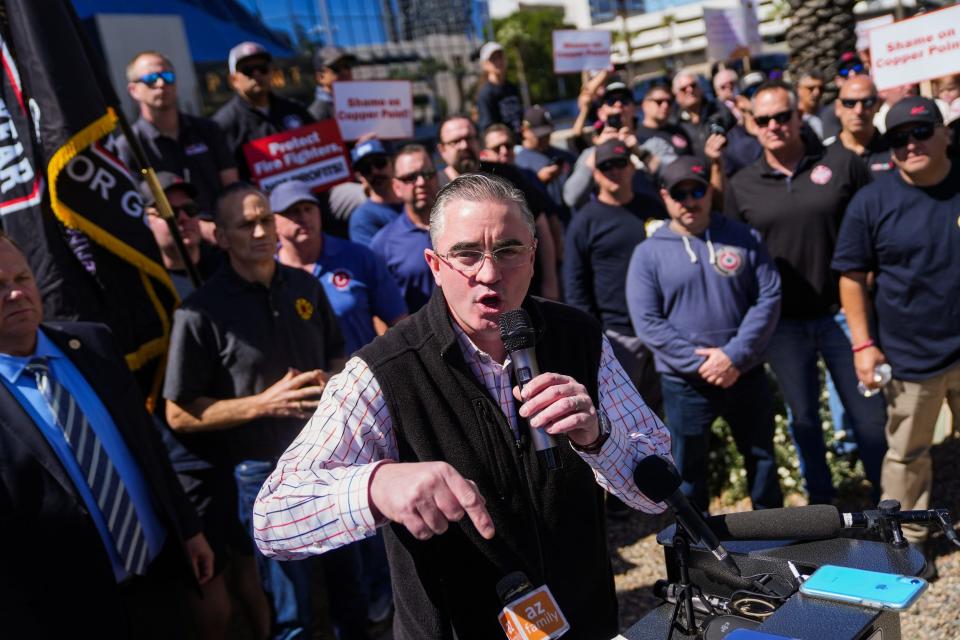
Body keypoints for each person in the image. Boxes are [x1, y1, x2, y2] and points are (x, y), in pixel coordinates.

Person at [253, 172, 672, 640]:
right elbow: (273, 517)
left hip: (581, 621)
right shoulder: (384, 370)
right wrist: (374, 484)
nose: (489, 273)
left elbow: (657, 488)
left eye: (509, 250)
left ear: (533, 255)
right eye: (467, 254)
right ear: (434, 264)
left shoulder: (579, 337)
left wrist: (598, 439)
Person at [162, 183, 358, 639]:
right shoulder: (199, 313)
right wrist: (262, 404)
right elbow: (178, 414)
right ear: (221, 238)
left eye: (265, 219)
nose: (260, 230)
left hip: (332, 459)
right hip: (262, 475)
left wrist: (333, 378)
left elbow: (337, 355)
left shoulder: (306, 285)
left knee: (351, 595)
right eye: (245, 224)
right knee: (294, 612)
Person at [0, 233, 214, 638]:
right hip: (68, 612)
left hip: (161, 577)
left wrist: (188, 528)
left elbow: (147, 445)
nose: (16, 293)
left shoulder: (93, 343)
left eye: (22, 277)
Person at [725, 80, 886, 505]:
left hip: (843, 313)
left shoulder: (842, 163)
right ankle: (822, 507)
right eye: (764, 119)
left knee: (868, 416)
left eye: (783, 115)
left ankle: (889, 502)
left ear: (799, 116)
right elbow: (734, 258)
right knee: (805, 420)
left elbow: (876, 225)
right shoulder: (740, 185)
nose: (775, 125)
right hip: (784, 325)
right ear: (752, 125)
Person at [832, 96, 960, 579]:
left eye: (921, 132)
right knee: (906, 457)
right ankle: (903, 550)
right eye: (899, 138)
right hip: (910, 359)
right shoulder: (872, 201)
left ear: (944, 131)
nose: (911, 144)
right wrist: (864, 345)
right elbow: (849, 276)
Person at [627, 157, 783, 513]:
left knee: (762, 459)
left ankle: (776, 536)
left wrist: (734, 356)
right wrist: (703, 364)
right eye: (679, 193)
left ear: (709, 191)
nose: (689, 200)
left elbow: (769, 296)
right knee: (688, 471)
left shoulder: (743, 238)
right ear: (664, 196)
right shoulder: (648, 254)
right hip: (686, 382)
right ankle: (697, 551)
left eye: (697, 190)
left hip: (745, 372)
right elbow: (648, 321)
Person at [563, 139, 664, 412]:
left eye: (620, 163)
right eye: (606, 166)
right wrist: (593, 336)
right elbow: (575, 283)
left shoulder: (653, 207)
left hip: (663, 330)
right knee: (623, 416)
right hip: (617, 336)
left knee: (665, 417)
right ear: (595, 174)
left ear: (632, 167)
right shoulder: (585, 221)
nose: (614, 171)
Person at [273, 179, 407, 357]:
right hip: (308, 382)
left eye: (308, 209)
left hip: (364, 377)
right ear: (273, 221)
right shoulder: (268, 273)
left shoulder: (358, 257)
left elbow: (400, 323)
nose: (303, 218)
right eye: (292, 212)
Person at [118, 50, 238, 242]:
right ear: (133, 90)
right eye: (151, 79)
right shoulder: (128, 146)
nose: (161, 84)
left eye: (167, 76)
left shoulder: (208, 130)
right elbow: (138, 209)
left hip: (223, 236)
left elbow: (232, 187)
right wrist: (198, 227)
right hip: (175, 245)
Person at [437, 116, 560, 299]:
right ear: (442, 149)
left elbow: (541, 225)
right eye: (455, 141)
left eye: (469, 138)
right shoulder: (436, 189)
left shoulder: (506, 174)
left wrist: (551, 282)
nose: (464, 146)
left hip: (526, 293)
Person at [563, 80, 667, 214]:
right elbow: (571, 198)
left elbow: (675, 178)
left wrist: (640, 153)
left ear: (634, 109)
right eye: (611, 101)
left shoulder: (653, 144)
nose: (618, 105)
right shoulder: (591, 153)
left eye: (624, 101)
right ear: (601, 113)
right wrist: (598, 151)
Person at [213, 42, 314, 180]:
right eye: (247, 70)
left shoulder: (295, 110)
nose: (257, 74)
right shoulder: (223, 123)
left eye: (262, 68)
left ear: (271, 72)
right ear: (234, 79)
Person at [371, 144, 439, 312]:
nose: (422, 182)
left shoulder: (462, 224)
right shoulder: (383, 245)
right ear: (396, 187)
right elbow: (380, 311)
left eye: (427, 174)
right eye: (411, 177)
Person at [140, 173, 223, 297]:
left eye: (190, 208)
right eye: (169, 212)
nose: (183, 218)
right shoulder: (146, 286)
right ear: (147, 221)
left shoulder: (227, 265)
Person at [515, 105, 576, 227]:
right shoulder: (518, 162)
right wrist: (539, 180)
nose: (544, 138)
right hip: (546, 228)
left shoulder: (565, 155)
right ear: (524, 131)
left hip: (571, 222)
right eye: (539, 135)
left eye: (547, 134)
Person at [826, 76, 893, 175]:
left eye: (867, 102)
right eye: (849, 103)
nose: (858, 111)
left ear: (879, 105)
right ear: (838, 107)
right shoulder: (823, 156)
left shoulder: (897, 153)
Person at [348, 139, 404, 246]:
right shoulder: (362, 218)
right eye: (366, 168)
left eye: (379, 162)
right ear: (360, 177)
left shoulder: (412, 197)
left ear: (392, 163)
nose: (375, 172)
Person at [636, 82, 694, 166]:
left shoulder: (679, 130)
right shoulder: (638, 136)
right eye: (659, 102)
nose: (665, 105)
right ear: (645, 105)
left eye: (669, 102)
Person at [475, 41, 523, 136]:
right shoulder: (486, 93)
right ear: (484, 65)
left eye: (500, 56)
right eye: (493, 59)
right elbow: (488, 127)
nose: (498, 61)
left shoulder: (512, 88)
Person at [819, 52, 867, 140]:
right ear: (838, 81)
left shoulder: (878, 102)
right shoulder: (830, 113)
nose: (852, 74)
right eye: (844, 71)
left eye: (857, 68)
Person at [309, 46, 357, 121]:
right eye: (336, 67)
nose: (345, 72)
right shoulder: (317, 114)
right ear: (320, 77)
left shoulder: (358, 103)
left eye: (347, 66)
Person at [796, 71, 825, 140]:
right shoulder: (790, 118)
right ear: (798, 89)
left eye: (821, 89)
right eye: (811, 88)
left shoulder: (831, 114)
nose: (817, 93)